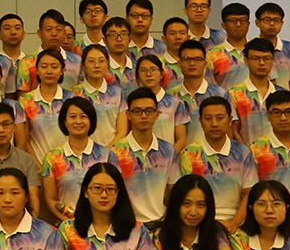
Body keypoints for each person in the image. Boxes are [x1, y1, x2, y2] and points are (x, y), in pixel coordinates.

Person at [179, 97, 257, 233]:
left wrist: (234, 223)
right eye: (208, 118)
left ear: (230, 120)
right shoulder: (188, 154)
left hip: (237, 223)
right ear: (200, 121)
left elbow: (249, 193)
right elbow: (186, 198)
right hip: (200, 223)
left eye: (220, 118)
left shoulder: (243, 152)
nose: (214, 124)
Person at [41, 97, 119, 222]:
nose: (78, 121)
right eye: (72, 117)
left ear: (91, 121)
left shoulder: (107, 155)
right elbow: (50, 199)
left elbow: (116, 193)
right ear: (65, 122)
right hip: (67, 224)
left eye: (83, 116)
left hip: (102, 224)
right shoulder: (52, 158)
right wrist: (68, 223)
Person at [111, 88, 179, 224]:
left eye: (149, 111)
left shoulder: (168, 150)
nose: (143, 116)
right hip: (128, 225)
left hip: (161, 222)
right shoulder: (115, 152)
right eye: (137, 111)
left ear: (157, 114)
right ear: (128, 115)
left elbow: (174, 190)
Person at [115, 55, 189, 151]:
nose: (148, 74)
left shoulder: (174, 103)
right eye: (143, 70)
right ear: (137, 75)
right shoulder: (132, 102)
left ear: (162, 74)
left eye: (153, 69)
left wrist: (168, 156)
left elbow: (181, 140)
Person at [169, 39, 226, 146]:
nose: (192, 63)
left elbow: (228, 131)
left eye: (197, 59)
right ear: (179, 64)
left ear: (205, 64)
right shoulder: (169, 96)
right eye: (186, 59)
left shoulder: (221, 94)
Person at [15, 49, 67, 165]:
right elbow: (24, 141)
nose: (49, 71)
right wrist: (38, 166)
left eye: (54, 67)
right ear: (37, 70)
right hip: (36, 165)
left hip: (66, 167)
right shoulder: (24, 101)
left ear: (62, 71)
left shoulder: (71, 99)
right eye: (44, 67)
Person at [228, 38, 284, 144]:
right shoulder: (233, 95)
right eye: (255, 58)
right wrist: (247, 152)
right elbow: (233, 131)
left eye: (266, 58)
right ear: (246, 61)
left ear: (273, 60)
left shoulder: (282, 94)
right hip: (246, 152)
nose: (261, 63)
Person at [73, 44, 123, 146]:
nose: (97, 65)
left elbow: (122, 131)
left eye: (101, 61)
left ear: (107, 64)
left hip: (112, 150)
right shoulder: (73, 94)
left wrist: (106, 151)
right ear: (83, 65)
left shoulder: (118, 93)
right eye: (91, 61)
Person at [255, 2, 290, 94]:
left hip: (282, 99)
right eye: (267, 20)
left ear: (282, 23)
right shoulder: (250, 49)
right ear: (257, 23)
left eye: (276, 20)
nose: (272, 24)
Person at [206, 2, 251, 90]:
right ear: (224, 25)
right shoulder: (212, 55)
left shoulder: (258, 51)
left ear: (248, 24)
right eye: (233, 21)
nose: (238, 24)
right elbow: (210, 89)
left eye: (242, 20)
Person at [102, 18, 136, 92]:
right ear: (104, 40)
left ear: (129, 39)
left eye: (123, 34)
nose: (119, 39)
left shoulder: (138, 68)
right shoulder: (100, 68)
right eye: (113, 35)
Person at [0, 13, 27, 95]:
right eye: (7, 28)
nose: (13, 32)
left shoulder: (31, 62)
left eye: (17, 28)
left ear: (23, 35)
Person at [160, 16, 190, 89]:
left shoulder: (197, 62)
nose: (178, 37)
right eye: (172, 33)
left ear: (188, 38)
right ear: (164, 39)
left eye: (182, 33)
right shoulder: (157, 64)